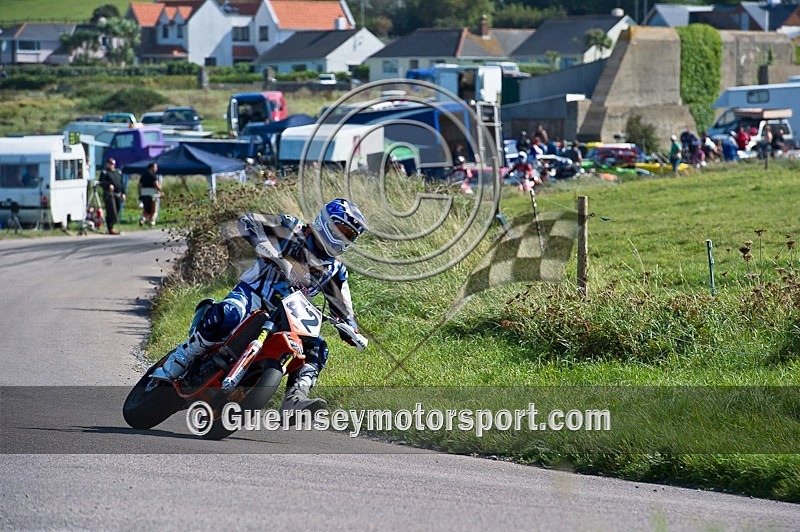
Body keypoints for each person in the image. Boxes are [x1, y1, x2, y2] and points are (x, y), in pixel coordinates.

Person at [152, 198, 368, 415]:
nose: (342, 239)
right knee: (229, 313)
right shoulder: (292, 227)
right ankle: (183, 357)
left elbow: (343, 308)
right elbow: (247, 222)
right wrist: (269, 250)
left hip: (290, 316)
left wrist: (351, 330)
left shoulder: (336, 270)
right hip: (253, 294)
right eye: (340, 230)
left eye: (349, 236)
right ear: (324, 222)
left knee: (318, 348)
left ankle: (296, 398)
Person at [98, 157, 125, 235]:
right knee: (111, 211)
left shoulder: (118, 172)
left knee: (117, 211)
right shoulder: (105, 172)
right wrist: (108, 185)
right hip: (109, 195)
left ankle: (112, 224)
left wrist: (123, 193)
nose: (112, 165)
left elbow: (121, 183)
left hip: (117, 195)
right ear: (107, 164)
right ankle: (110, 228)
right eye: (110, 163)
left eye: (113, 164)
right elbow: (101, 182)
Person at [138, 162, 164, 227]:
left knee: (146, 209)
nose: (156, 168)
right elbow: (156, 184)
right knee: (153, 209)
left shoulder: (143, 175)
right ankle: (151, 221)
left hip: (144, 194)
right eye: (156, 167)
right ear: (152, 167)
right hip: (152, 194)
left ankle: (142, 219)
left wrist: (140, 194)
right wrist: (161, 191)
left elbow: (139, 185)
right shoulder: (153, 175)